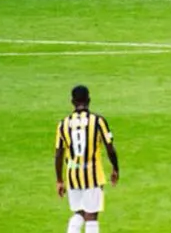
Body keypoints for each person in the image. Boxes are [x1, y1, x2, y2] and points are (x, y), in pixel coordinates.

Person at [55, 85, 118, 233]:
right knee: (91, 216)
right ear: (89, 100)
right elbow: (110, 148)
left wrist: (59, 180)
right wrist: (115, 168)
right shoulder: (98, 121)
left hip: (73, 175)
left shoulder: (63, 124)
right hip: (93, 174)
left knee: (79, 213)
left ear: (72, 102)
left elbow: (58, 154)